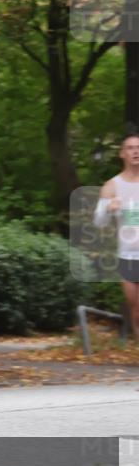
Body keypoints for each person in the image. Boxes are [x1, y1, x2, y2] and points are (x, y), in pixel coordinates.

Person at [94, 133, 139, 340]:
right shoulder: (112, 186)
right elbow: (99, 222)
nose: (135, 151)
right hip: (128, 255)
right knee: (136, 309)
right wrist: (108, 209)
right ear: (122, 154)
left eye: (138, 147)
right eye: (130, 148)